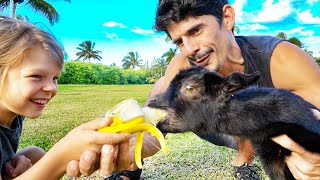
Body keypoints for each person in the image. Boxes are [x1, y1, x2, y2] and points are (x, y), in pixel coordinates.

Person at [0, 16, 131, 180]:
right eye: (36, 76)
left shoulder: (14, 115)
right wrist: (62, 154)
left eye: (55, 78)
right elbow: (58, 157)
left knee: (35, 154)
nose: (51, 88)